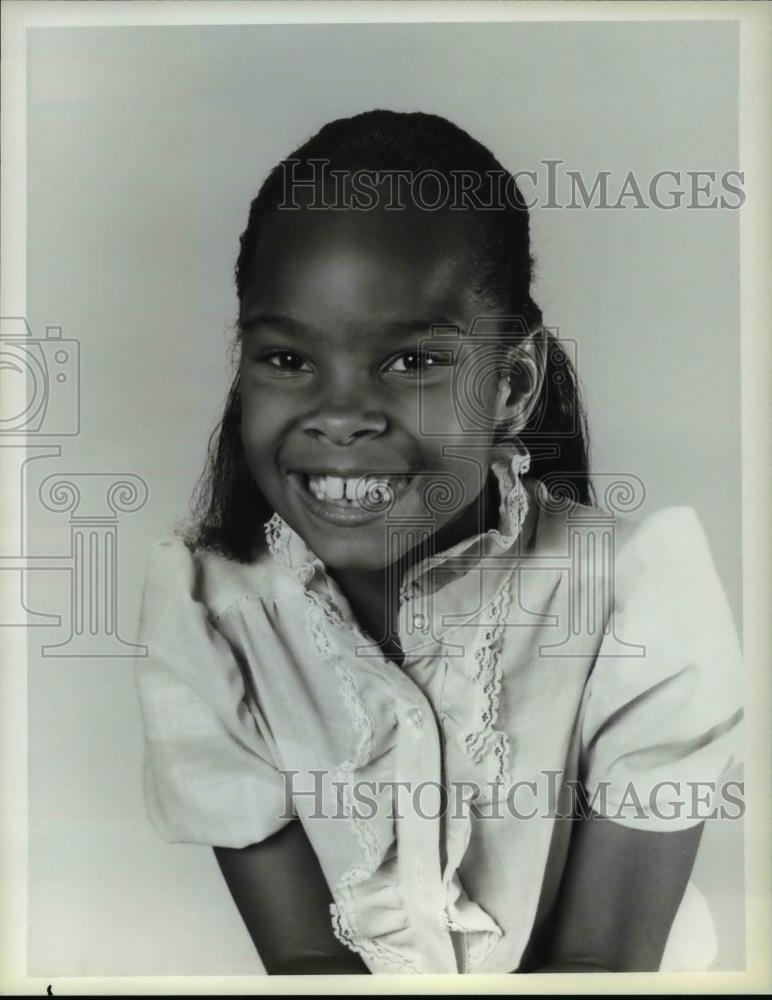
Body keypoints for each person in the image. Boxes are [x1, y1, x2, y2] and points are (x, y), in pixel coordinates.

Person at [134, 110, 744, 975]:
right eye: (287, 360)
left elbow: (600, 966)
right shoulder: (213, 617)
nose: (340, 415)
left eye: (413, 362)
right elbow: (309, 967)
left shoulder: (635, 594)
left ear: (512, 386)